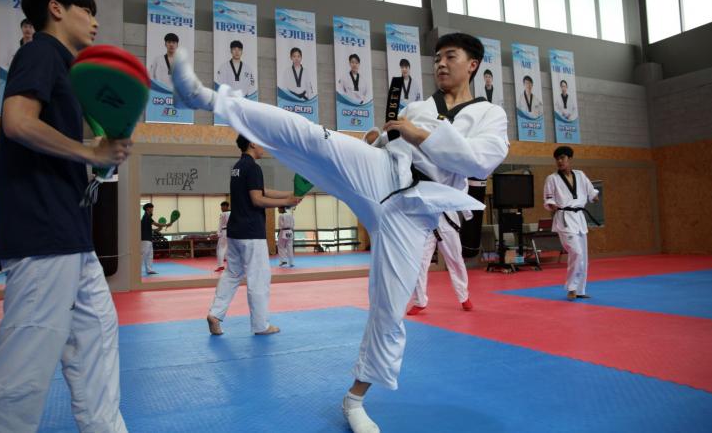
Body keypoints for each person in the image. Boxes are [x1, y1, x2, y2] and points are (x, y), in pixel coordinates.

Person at [172, 31, 508, 433]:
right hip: (382, 172)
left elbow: (477, 162)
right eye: (436, 57)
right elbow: (389, 142)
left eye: (449, 56)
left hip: (414, 212)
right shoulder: (419, 106)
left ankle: (354, 400)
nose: (439, 63)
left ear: (472, 64)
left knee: (389, 311)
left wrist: (417, 133)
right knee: (313, 136)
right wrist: (380, 137)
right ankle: (207, 98)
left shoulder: (490, 115)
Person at [0, 0, 133, 432]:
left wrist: (98, 154)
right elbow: (17, 122)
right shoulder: (40, 52)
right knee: (25, 366)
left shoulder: (67, 68)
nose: (95, 21)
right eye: (88, 10)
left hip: (72, 237)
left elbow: (53, 142)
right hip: (43, 235)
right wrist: (91, 154)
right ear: (56, 9)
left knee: (98, 340)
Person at [205, 135, 301, 336]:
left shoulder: (238, 167)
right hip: (251, 233)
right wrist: (284, 203)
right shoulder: (254, 168)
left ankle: (215, 314)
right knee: (259, 278)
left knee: (232, 274)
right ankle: (260, 325)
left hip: (235, 232)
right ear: (253, 143)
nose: (264, 146)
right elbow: (257, 200)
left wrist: (288, 196)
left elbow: (262, 190)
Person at [543, 146, 599, 301]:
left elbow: (591, 191)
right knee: (577, 252)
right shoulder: (552, 178)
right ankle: (571, 288)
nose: (560, 161)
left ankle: (580, 289)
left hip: (580, 218)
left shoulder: (580, 175)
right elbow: (548, 199)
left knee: (584, 255)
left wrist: (594, 196)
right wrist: (552, 205)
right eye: (557, 159)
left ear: (569, 159)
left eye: (562, 158)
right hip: (564, 218)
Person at [406, 210, 473, 315]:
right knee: (419, 263)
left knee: (456, 261)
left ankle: (463, 296)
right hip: (426, 224)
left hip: (447, 224)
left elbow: (458, 195)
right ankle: (419, 302)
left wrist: (467, 213)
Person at [141, 202, 170, 275]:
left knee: (150, 255)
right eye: (152, 208)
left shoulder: (148, 218)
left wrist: (159, 229)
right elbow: (157, 224)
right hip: (145, 239)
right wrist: (166, 224)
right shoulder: (146, 217)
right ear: (148, 209)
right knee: (143, 255)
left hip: (148, 239)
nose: (152, 209)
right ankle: (136, 270)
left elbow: (152, 230)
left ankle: (149, 270)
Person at [215, 200, 230, 272]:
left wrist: (218, 233)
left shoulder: (223, 214)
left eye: (222, 207)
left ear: (226, 206)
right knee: (228, 249)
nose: (221, 208)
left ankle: (221, 265)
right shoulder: (232, 213)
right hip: (231, 233)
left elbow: (220, 225)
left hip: (224, 232)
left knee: (220, 249)